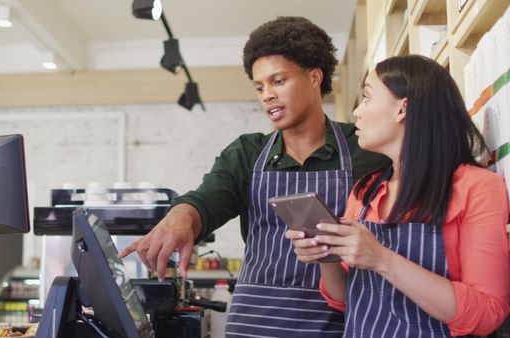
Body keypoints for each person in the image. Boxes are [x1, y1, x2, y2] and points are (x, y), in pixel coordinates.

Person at [121, 16, 389, 336]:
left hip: (338, 324)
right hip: (254, 325)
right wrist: (181, 216)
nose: (267, 95)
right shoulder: (247, 154)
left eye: (278, 81)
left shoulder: (363, 151)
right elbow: (206, 200)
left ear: (315, 76)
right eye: (259, 86)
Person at [287, 55, 510, 337]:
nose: (356, 112)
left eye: (366, 97)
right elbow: (345, 298)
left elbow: (488, 313)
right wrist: (325, 257)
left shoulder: (476, 187)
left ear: (402, 109)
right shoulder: (365, 192)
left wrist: (381, 259)